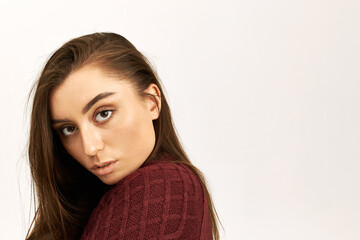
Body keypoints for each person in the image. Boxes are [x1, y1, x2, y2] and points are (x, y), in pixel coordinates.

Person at [26, 32, 221, 240]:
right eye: (69, 129)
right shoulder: (86, 202)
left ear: (152, 102)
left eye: (103, 114)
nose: (90, 148)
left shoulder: (165, 186)